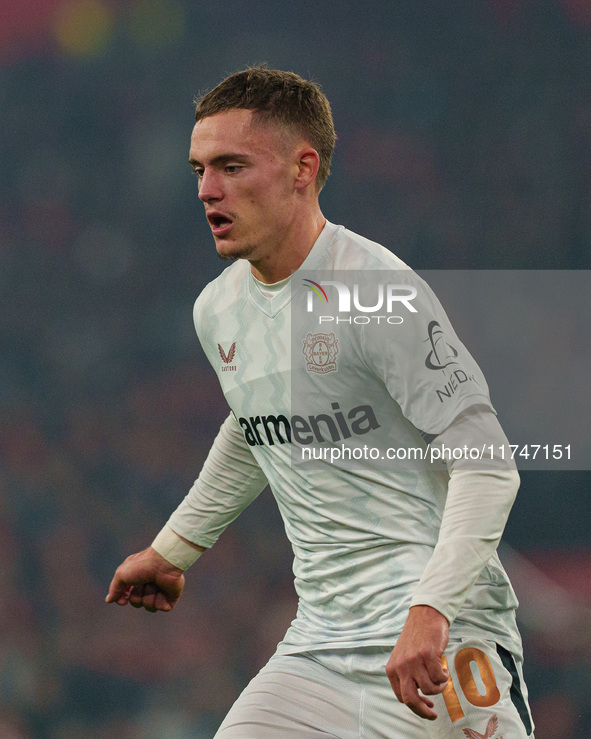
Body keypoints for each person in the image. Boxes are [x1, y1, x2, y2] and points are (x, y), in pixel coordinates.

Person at [106, 67, 535, 738]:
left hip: (442, 641)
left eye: (230, 166)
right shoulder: (217, 309)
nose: (206, 190)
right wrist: (172, 550)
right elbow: (256, 428)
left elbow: (487, 464)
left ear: (302, 168)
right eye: (198, 169)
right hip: (320, 649)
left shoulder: (376, 289)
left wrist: (429, 609)